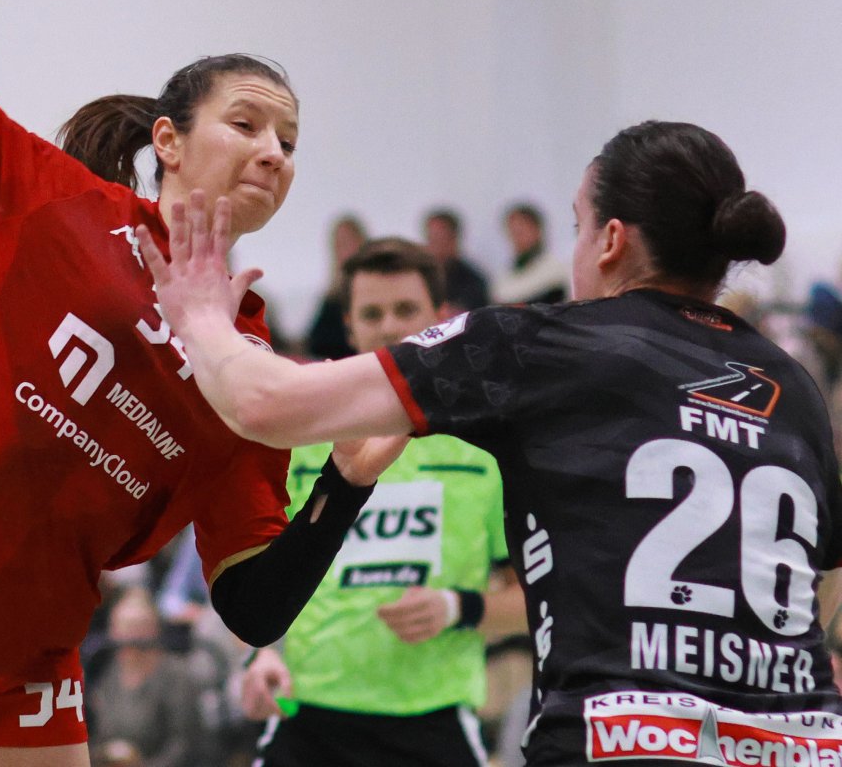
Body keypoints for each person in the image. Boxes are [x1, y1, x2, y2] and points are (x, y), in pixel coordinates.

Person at [0, 16, 389, 767]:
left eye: (288, 143)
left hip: (26, 654)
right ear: (168, 142)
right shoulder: (53, 198)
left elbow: (253, 606)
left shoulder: (254, 372)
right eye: (247, 124)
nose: (272, 153)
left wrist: (348, 480)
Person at [145, 120, 842, 766]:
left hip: (620, 739)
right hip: (799, 744)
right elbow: (825, 574)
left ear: (610, 241)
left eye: (577, 224)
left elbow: (262, 401)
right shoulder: (792, 383)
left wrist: (203, 312)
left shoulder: (541, 345)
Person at [239, 238, 525, 767]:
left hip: (432, 722)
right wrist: (260, 658)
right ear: (349, 325)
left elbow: (536, 602)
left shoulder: (485, 448)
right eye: (372, 313)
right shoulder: (302, 438)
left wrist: (457, 607)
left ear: (441, 317)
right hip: (307, 717)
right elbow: (262, 583)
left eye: (406, 310)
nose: (390, 326)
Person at [86, 587, 201, 767]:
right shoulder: (109, 674)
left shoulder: (176, 675)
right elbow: (99, 733)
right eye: (121, 628)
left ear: (154, 630)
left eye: (136, 628)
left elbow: (185, 745)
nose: (128, 637)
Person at [304, 214, 367, 359]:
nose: (343, 250)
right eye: (339, 244)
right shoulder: (332, 295)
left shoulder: (371, 290)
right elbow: (315, 340)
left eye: (347, 242)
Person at [490, 202, 568, 305]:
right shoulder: (503, 278)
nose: (517, 238)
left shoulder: (554, 271)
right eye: (513, 232)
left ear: (538, 230)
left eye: (522, 231)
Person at [423, 208, 489, 313]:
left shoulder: (473, 281)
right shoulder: (420, 277)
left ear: (454, 239)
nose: (435, 245)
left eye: (440, 238)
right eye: (431, 238)